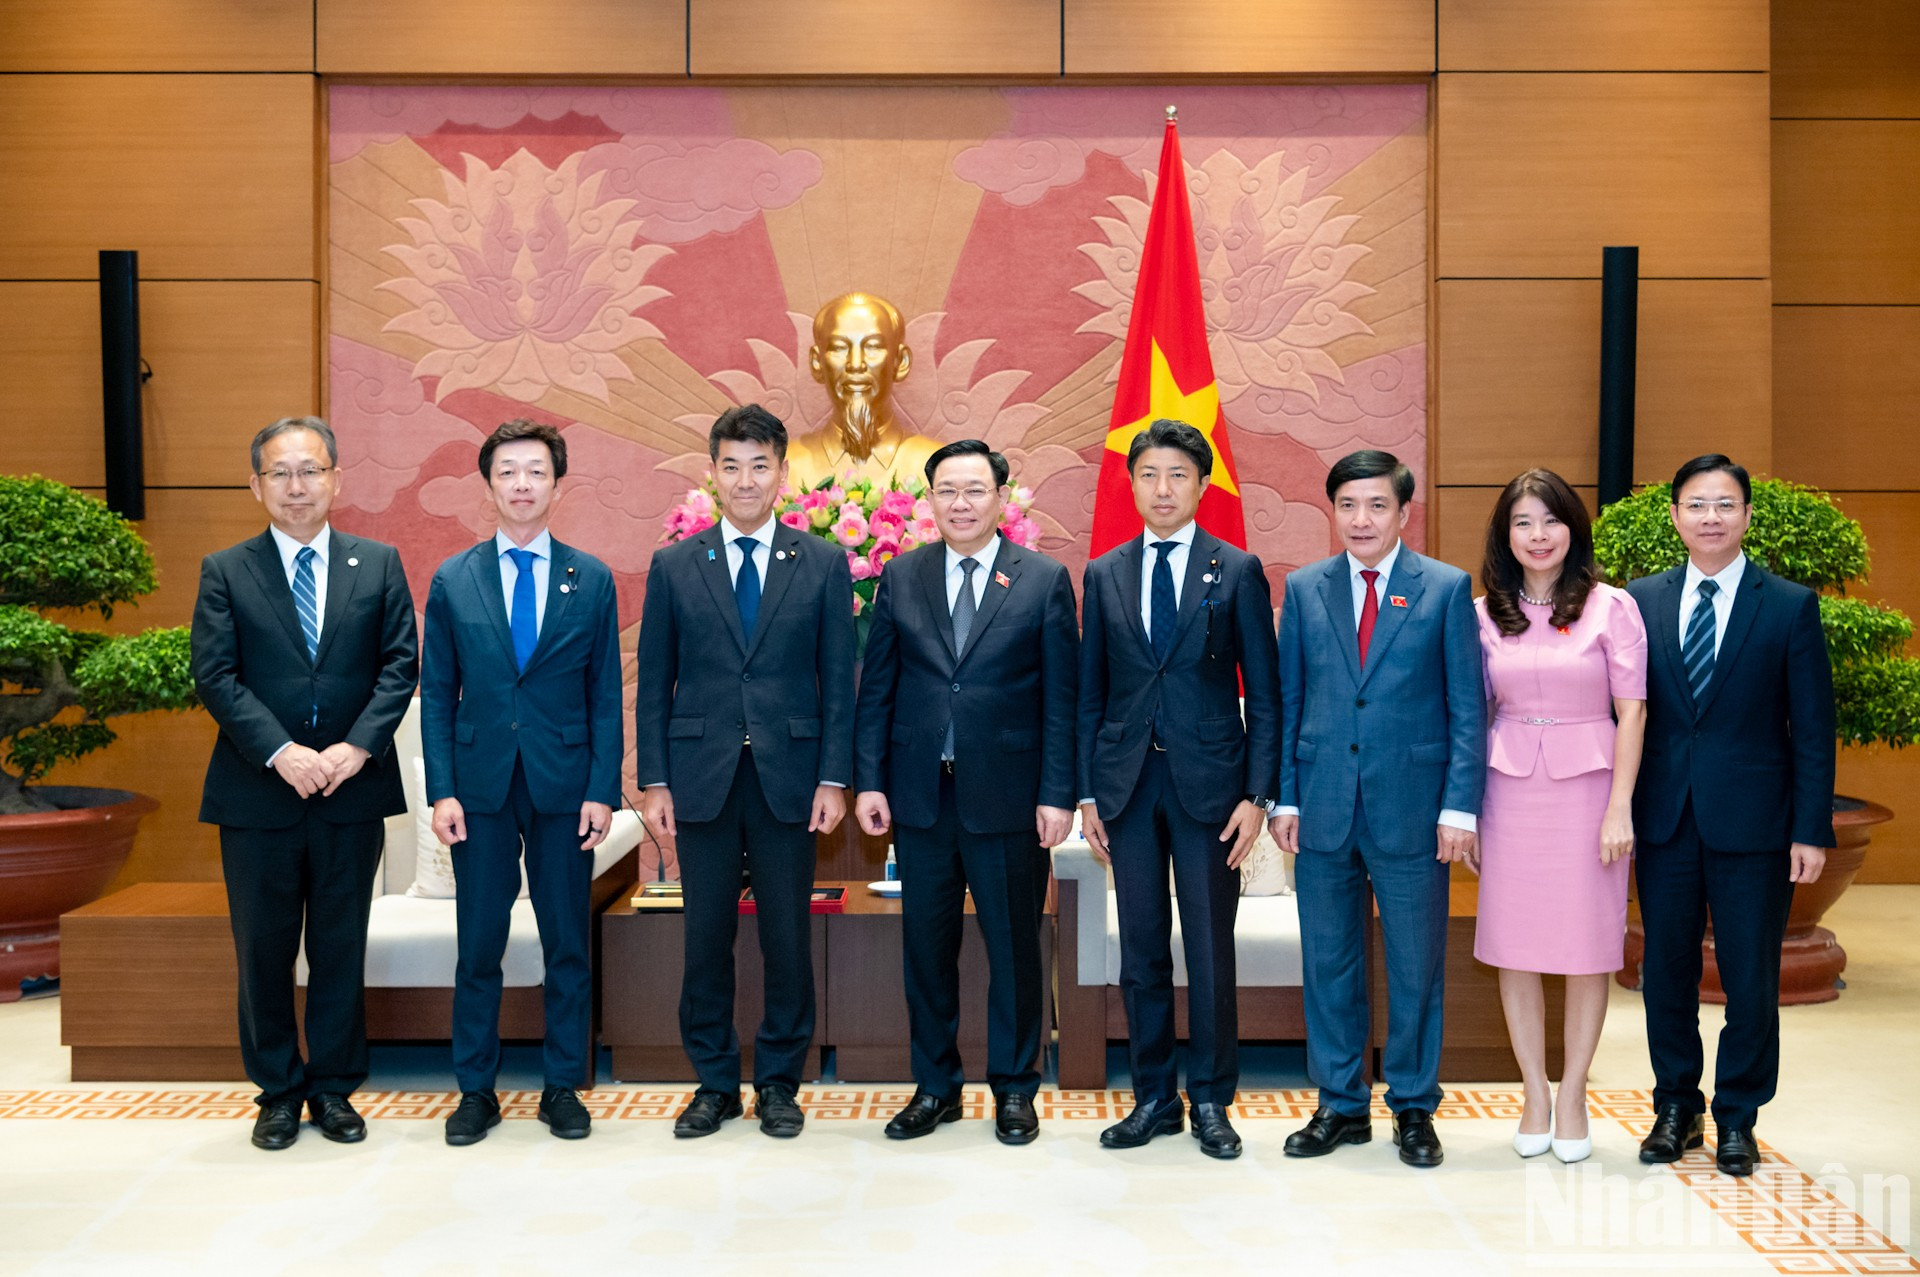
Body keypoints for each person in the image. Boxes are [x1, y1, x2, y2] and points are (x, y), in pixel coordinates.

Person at [190, 416, 417, 1151]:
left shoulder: (378, 563)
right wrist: (282, 750)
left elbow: (399, 665)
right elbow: (215, 676)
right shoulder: (226, 569)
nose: (297, 486)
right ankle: (279, 1091)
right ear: (257, 484)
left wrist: (357, 747)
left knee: (340, 947)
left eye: (311, 471)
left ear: (336, 480)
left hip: (351, 791)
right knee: (263, 948)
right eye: (281, 473)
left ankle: (335, 1089)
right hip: (259, 795)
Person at [635, 404, 855, 1140]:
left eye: (760, 464)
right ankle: (714, 1081)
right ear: (714, 473)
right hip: (699, 777)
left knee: (787, 937)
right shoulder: (674, 565)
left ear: (783, 473)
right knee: (705, 938)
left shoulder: (821, 561)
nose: (746, 479)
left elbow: (837, 680)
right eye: (731, 465)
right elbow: (654, 680)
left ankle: (781, 1081)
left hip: (792, 777)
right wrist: (655, 781)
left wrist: (834, 777)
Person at [853, 439, 1078, 1146]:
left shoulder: (1041, 579)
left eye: (975, 489)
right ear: (929, 501)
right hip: (920, 794)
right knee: (926, 946)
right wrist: (869, 780)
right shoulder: (901, 575)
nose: (961, 503)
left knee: (1014, 945)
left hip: (1010, 794)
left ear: (1002, 498)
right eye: (946, 490)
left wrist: (1058, 793)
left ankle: (1015, 1089)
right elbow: (878, 689)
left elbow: (1061, 700)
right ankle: (936, 1086)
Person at [1271, 449, 1485, 1168]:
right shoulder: (1305, 589)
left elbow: (1466, 709)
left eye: (1377, 506)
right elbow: (1289, 700)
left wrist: (1460, 806)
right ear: (1332, 511)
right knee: (1329, 962)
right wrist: (1285, 795)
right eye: (1348, 506)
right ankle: (1339, 1104)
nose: (1361, 519)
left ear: (1403, 512)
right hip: (1323, 806)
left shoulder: (1446, 589)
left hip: (1414, 811)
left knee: (1416, 964)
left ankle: (1415, 1107)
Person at [1627, 454, 1835, 1177]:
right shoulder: (1640, 599)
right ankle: (1675, 1107)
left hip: (1757, 823)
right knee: (1666, 971)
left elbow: (1812, 728)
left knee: (1750, 977)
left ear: (1747, 515)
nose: (1710, 516)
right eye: (1695, 503)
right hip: (1664, 818)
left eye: (1724, 503)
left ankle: (1738, 1115)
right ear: (1676, 514)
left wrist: (1811, 827)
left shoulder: (1786, 605)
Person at [1076, 418, 1278, 1161]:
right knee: (1140, 952)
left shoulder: (1237, 569)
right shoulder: (1103, 573)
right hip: (1127, 787)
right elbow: (1089, 693)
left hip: (1213, 790)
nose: (1163, 489)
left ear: (1202, 484)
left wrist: (1258, 795)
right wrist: (1089, 796)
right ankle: (1154, 1097)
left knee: (1208, 948)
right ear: (1131, 485)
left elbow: (1266, 689)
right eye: (1149, 475)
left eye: (1178, 476)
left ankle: (1213, 1101)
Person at [420, 419, 622, 1146]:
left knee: (568, 940)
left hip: (566, 786)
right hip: (478, 790)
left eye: (536, 471)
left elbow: (605, 693)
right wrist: (441, 788)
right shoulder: (454, 577)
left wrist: (603, 788)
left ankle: (562, 1085)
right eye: (508, 472)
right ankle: (475, 1089)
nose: (523, 485)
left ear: (557, 485)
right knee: (479, 943)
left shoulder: (590, 578)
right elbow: (437, 693)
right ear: (490, 485)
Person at [1474, 468, 1647, 1164]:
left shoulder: (1613, 607)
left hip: (1589, 794)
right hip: (1507, 789)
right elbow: (1474, 712)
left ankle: (1573, 1091)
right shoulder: (1484, 612)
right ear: (1505, 535)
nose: (1538, 535)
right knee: (1514, 948)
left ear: (1573, 527)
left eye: (1550, 520)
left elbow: (1632, 709)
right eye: (1523, 522)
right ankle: (1534, 1093)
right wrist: (1467, 810)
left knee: (1584, 950)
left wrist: (1619, 807)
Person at [785, 292, 940, 489]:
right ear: (817, 363)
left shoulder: (938, 468)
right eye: (839, 348)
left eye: (873, 347)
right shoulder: (787, 468)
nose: (856, 364)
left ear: (900, 361)